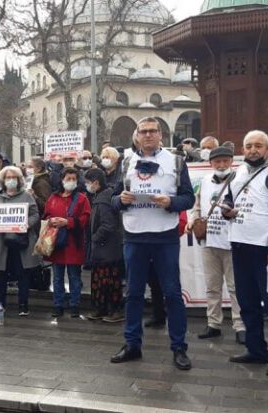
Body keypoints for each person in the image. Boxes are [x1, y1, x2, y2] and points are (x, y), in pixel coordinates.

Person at [110, 117, 195, 371]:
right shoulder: (126, 161)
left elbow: (189, 198)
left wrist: (171, 203)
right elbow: (112, 198)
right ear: (137, 136)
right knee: (133, 293)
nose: (148, 135)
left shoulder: (176, 161)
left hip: (164, 235)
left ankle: (179, 347)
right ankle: (132, 344)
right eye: (143, 132)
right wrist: (122, 200)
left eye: (153, 131)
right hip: (135, 234)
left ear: (161, 135)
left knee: (172, 293)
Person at [222, 130, 268, 376]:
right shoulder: (237, 172)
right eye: (248, 145)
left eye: (258, 145)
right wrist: (227, 210)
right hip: (240, 245)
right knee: (247, 303)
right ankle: (256, 350)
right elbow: (230, 202)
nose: (252, 150)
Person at [188, 147, 245, 344]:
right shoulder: (204, 181)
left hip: (231, 241)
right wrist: (193, 220)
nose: (221, 165)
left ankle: (240, 325)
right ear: (211, 163)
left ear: (231, 161)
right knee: (212, 286)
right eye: (217, 162)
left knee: (235, 287)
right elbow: (197, 206)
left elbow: (245, 207)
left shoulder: (239, 180)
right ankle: (213, 323)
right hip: (209, 241)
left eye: (225, 161)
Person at [0, 166, 41, 316]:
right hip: (1, 242)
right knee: (0, 274)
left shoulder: (26, 196)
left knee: (23, 274)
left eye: (13, 177)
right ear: (3, 181)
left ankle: (23, 304)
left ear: (18, 180)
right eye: (7, 178)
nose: (10, 180)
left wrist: (27, 224)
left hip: (21, 241)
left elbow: (35, 215)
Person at [44, 167, 91, 318]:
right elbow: (46, 215)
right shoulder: (53, 197)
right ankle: (58, 305)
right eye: (68, 179)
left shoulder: (82, 198)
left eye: (73, 179)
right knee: (57, 277)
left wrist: (68, 222)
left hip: (73, 244)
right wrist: (51, 220)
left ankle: (74, 305)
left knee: (74, 277)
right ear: (62, 180)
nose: (71, 182)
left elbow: (85, 219)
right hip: (56, 243)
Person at [84, 168, 123, 322]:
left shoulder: (104, 198)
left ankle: (114, 310)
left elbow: (108, 225)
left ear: (96, 182)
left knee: (109, 281)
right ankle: (101, 309)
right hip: (103, 249)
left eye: (88, 182)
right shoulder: (101, 196)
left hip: (107, 249)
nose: (87, 185)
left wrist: (95, 237)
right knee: (100, 280)